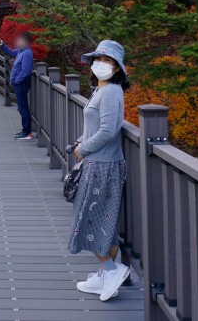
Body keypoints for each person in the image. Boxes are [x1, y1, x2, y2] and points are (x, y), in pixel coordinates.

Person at [69, 40, 131, 302]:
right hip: (97, 163)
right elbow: (95, 126)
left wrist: (84, 149)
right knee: (101, 223)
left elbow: (108, 131)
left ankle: (112, 269)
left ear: (117, 68)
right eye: (99, 59)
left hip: (103, 165)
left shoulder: (112, 91)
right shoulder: (100, 89)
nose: (102, 64)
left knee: (89, 222)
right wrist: (81, 142)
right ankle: (105, 275)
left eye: (108, 61)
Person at [0, 31, 35, 140]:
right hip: (20, 83)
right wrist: (2, 46)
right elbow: (12, 52)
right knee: (22, 107)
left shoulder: (27, 53)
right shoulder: (21, 51)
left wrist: (17, 80)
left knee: (23, 108)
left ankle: (27, 132)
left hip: (22, 83)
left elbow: (25, 71)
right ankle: (25, 130)